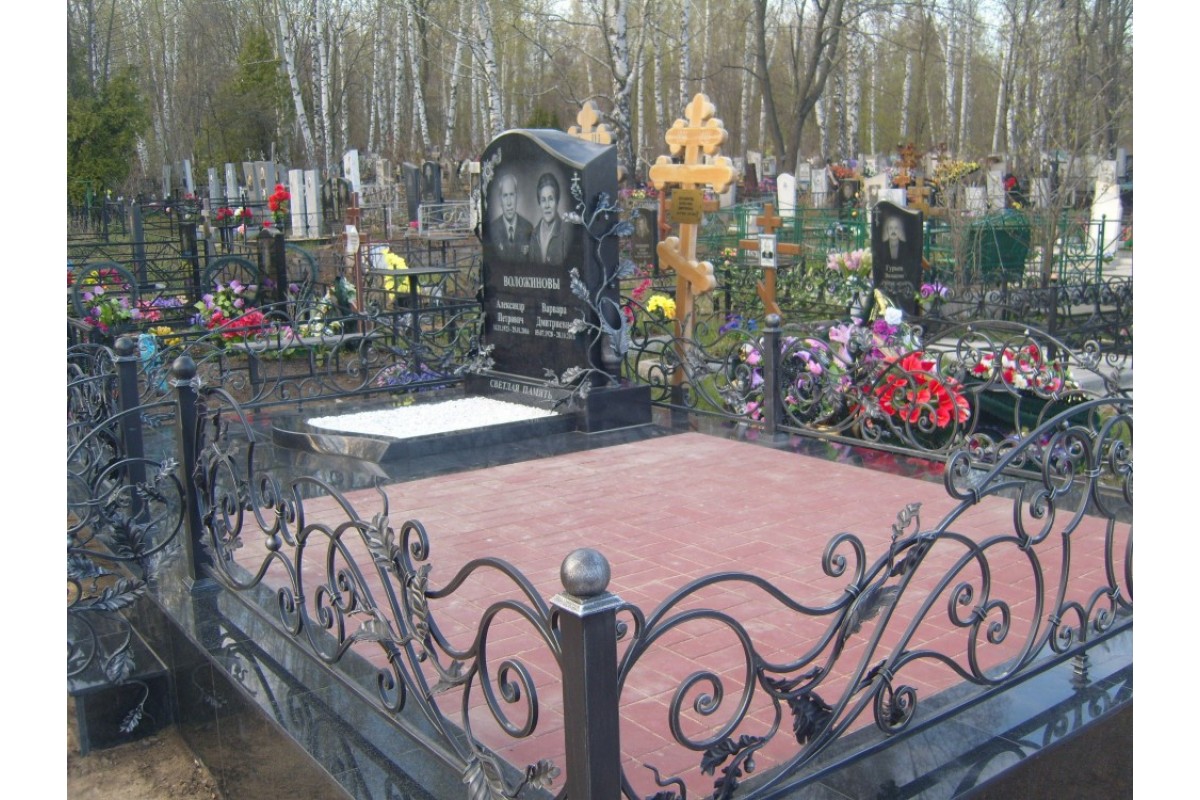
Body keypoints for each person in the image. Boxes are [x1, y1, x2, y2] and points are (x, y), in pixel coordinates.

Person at [486, 173, 533, 258]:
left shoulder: (528, 227)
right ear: (500, 200)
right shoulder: (492, 230)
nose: (509, 203)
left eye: (511, 195)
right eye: (505, 196)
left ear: (517, 197)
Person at [528, 172, 568, 267]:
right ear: (539, 204)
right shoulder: (534, 234)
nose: (547, 205)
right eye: (543, 200)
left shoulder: (565, 233)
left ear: (557, 202)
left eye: (550, 199)